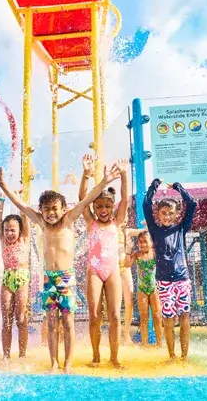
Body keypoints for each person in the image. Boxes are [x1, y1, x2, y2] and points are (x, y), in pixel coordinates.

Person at [0, 162, 121, 374]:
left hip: (66, 279)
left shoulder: (68, 220)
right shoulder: (40, 223)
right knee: (50, 323)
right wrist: (2, 183)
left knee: (68, 322)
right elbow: (20, 205)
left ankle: (67, 363)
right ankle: (53, 363)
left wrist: (105, 181)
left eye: (54, 209)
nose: (50, 213)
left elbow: (88, 197)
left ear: (63, 209)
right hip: (48, 279)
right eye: (46, 209)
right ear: (41, 211)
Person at [78, 155, 129, 368]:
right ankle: (96, 355)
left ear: (112, 206)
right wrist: (86, 175)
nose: (103, 210)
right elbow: (83, 200)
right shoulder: (91, 222)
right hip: (95, 272)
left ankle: (114, 357)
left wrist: (124, 176)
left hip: (113, 272)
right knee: (94, 315)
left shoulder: (117, 222)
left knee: (116, 316)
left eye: (107, 205)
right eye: (99, 206)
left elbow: (125, 200)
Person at [143, 178, 197, 361]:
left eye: (170, 213)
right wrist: (154, 186)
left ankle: (184, 356)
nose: (167, 216)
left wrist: (178, 187)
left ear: (176, 215)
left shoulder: (181, 228)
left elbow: (192, 203)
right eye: (163, 213)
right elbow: (145, 203)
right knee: (168, 318)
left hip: (182, 279)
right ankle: (172, 355)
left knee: (185, 316)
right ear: (158, 214)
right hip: (164, 281)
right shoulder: (155, 229)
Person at [0, 189, 30, 362]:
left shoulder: (24, 238)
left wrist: (21, 199)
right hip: (7, 279)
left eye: (13, 230)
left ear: (19, 230)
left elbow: (25, 215)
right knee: (6, 320)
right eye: (7, 230)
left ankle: (22, 354)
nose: (9, 233)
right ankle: (6, 355)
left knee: (21, 319)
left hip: (22, 278)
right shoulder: (2, 240)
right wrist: (1, 199)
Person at [123, 231, 163, 347]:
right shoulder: (136, 254)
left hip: (154, 288)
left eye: (145, 241)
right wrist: (128, 251)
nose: (143, 244)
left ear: (151, 242)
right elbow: (126, 264)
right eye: (140, 242)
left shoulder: (155, 254)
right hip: (142, 290)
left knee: (157, 316)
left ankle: (159, 344)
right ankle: (145, 344)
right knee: (144, 318)